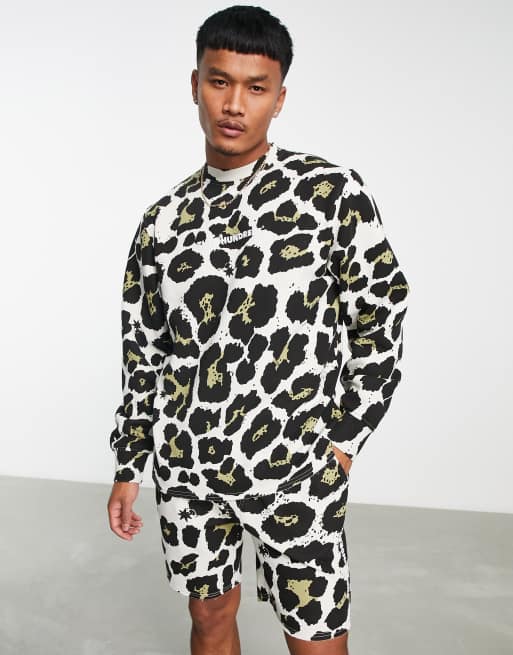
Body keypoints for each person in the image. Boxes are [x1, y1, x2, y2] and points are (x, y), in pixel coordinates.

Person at [107, 5, 410, 654]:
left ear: (279, 98)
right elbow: (144, 352)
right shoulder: (163, 221)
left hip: (295, 466)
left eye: (255, 87)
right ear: (195, 85)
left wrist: (342, 441)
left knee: (316, 637)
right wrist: (131, 463)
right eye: (219, 81)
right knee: (209, 621)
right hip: (189, 466)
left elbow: (381, 315)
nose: (234, 104)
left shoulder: (329, 195)